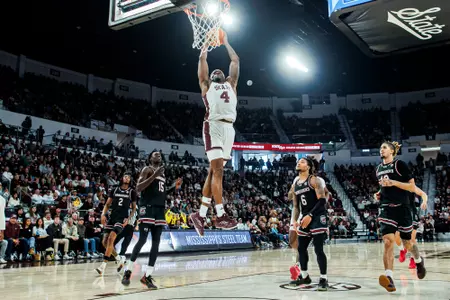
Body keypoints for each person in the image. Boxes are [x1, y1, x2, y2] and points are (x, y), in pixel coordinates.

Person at [190, 30, 240, 236]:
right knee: (217, 171)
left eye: (219, 71)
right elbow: (202, 60)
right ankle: (220, 215)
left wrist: (226, 42)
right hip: (213, 126)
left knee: (214, 172)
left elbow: (235, 60)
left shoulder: (232, 84)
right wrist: (205, 46)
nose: (216, 72)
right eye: (213, 72)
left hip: (229, 129)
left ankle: (200, 215)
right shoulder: (206, 85)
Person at [121, 151, 181, 289]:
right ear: (150, 158)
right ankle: (127, 271)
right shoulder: (147, 169)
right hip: (147, 207)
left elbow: (162, 193)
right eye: (155, 154)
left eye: (160, 154)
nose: (158, 155)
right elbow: (138, 187)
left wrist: (174, 187)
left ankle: (147, 276)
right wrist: (154, 175)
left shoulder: (163, 174)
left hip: (159, 210)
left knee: (156, 244)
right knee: (142, 240)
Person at [374, 141, 426, 293]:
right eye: (380, 147)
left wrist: (393, 183)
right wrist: (378, 193)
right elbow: (383, 186)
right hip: (386, 208)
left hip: (403, 208)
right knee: (388, 241)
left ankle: (418, 260)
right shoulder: (378, 169)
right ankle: (389, 278)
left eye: (384, 147)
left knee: (408, 243)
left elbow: (411, 187)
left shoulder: (400, 165)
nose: (381, 149)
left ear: (391, 150)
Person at [290, 157, 329, 291]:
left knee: (318, 249)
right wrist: (295, 221)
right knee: (301, 248)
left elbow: (322, 201)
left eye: (302, 162)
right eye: (298, 161)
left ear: (308, 166)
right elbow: (296, 206)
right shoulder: (296, 184)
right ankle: (305, 276)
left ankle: (324, 278)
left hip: (317, 216)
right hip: (305, 217)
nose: (298, 163)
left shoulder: (314, 180)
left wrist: (310, 215)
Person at [96, 173, 137, 275]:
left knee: (111, 239)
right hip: (112, 217)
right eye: (125, 176)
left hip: (121, 219)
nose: (127, 178)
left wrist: (128, 218)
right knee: (104, 242)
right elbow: (107, 204)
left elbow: (134, 208)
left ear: (130, 180)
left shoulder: (132, 192)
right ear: (122, 178)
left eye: (129, 177)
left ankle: (103, 266)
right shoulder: (114, 189)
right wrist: (103, 215)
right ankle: (119, 259)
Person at [394, 188, 428, 269]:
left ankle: (413, 259)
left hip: (411, 212)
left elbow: (423, 194)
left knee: (412, 239)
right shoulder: (395, 184)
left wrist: (424, 201)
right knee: (396, 237)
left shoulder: (410, 184)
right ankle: (402, 249)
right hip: (399, 212)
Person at [115, 203, 138, 272]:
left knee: (123, 244)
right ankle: (118, 257)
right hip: (127, 227)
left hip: (128, 228)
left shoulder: (134, 211)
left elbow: (136, 220)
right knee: (119, 243)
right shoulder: (129, 210)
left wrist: (135, 226)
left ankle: (120, 258)